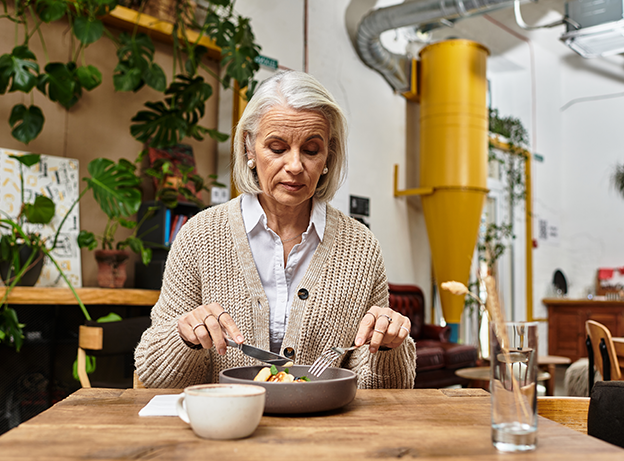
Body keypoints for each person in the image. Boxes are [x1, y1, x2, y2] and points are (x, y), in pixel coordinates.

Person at [135, 70, 416, 389]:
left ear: (328, 155)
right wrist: (184, 338)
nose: (295, 166)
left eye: (311, 150)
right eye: (277, 147)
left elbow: (383, 391)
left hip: (325, 432)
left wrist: (389, 347)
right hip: (225, 429)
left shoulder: (362, 246)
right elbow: (154, 375)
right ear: (249, 149)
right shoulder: (198, 236)